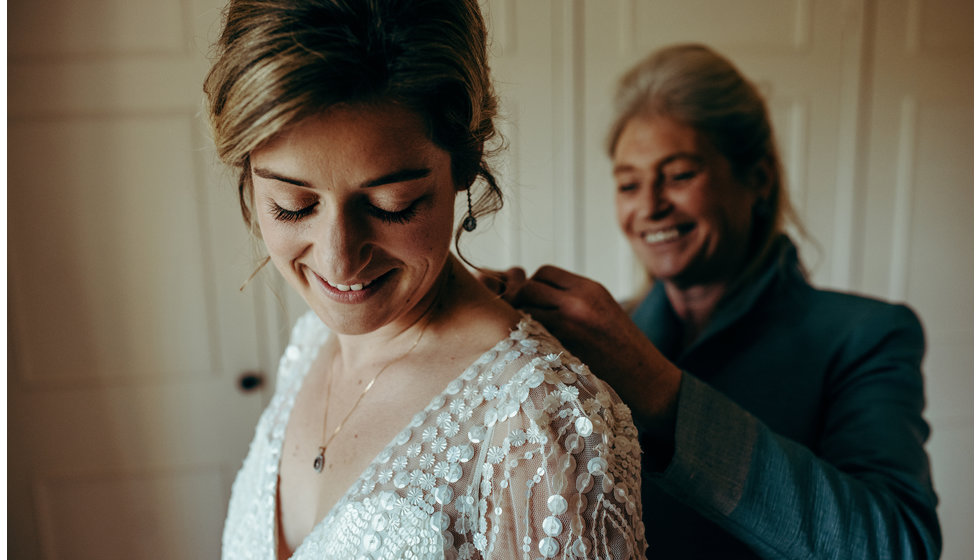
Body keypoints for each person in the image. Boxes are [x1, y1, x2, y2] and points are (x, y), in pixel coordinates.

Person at [204, 1, 646, 558]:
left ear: (465, 161)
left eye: (393, 205)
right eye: (292, 207)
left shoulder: (539, 426)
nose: (340, 265)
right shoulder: (312, 342)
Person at [497, 44, 941, 558]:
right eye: (628, 184)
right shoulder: (595, 335)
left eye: (680, 175)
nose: (650, 206)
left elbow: (899, 543)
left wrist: (657, 390)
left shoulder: (866, 335)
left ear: (757, 178)